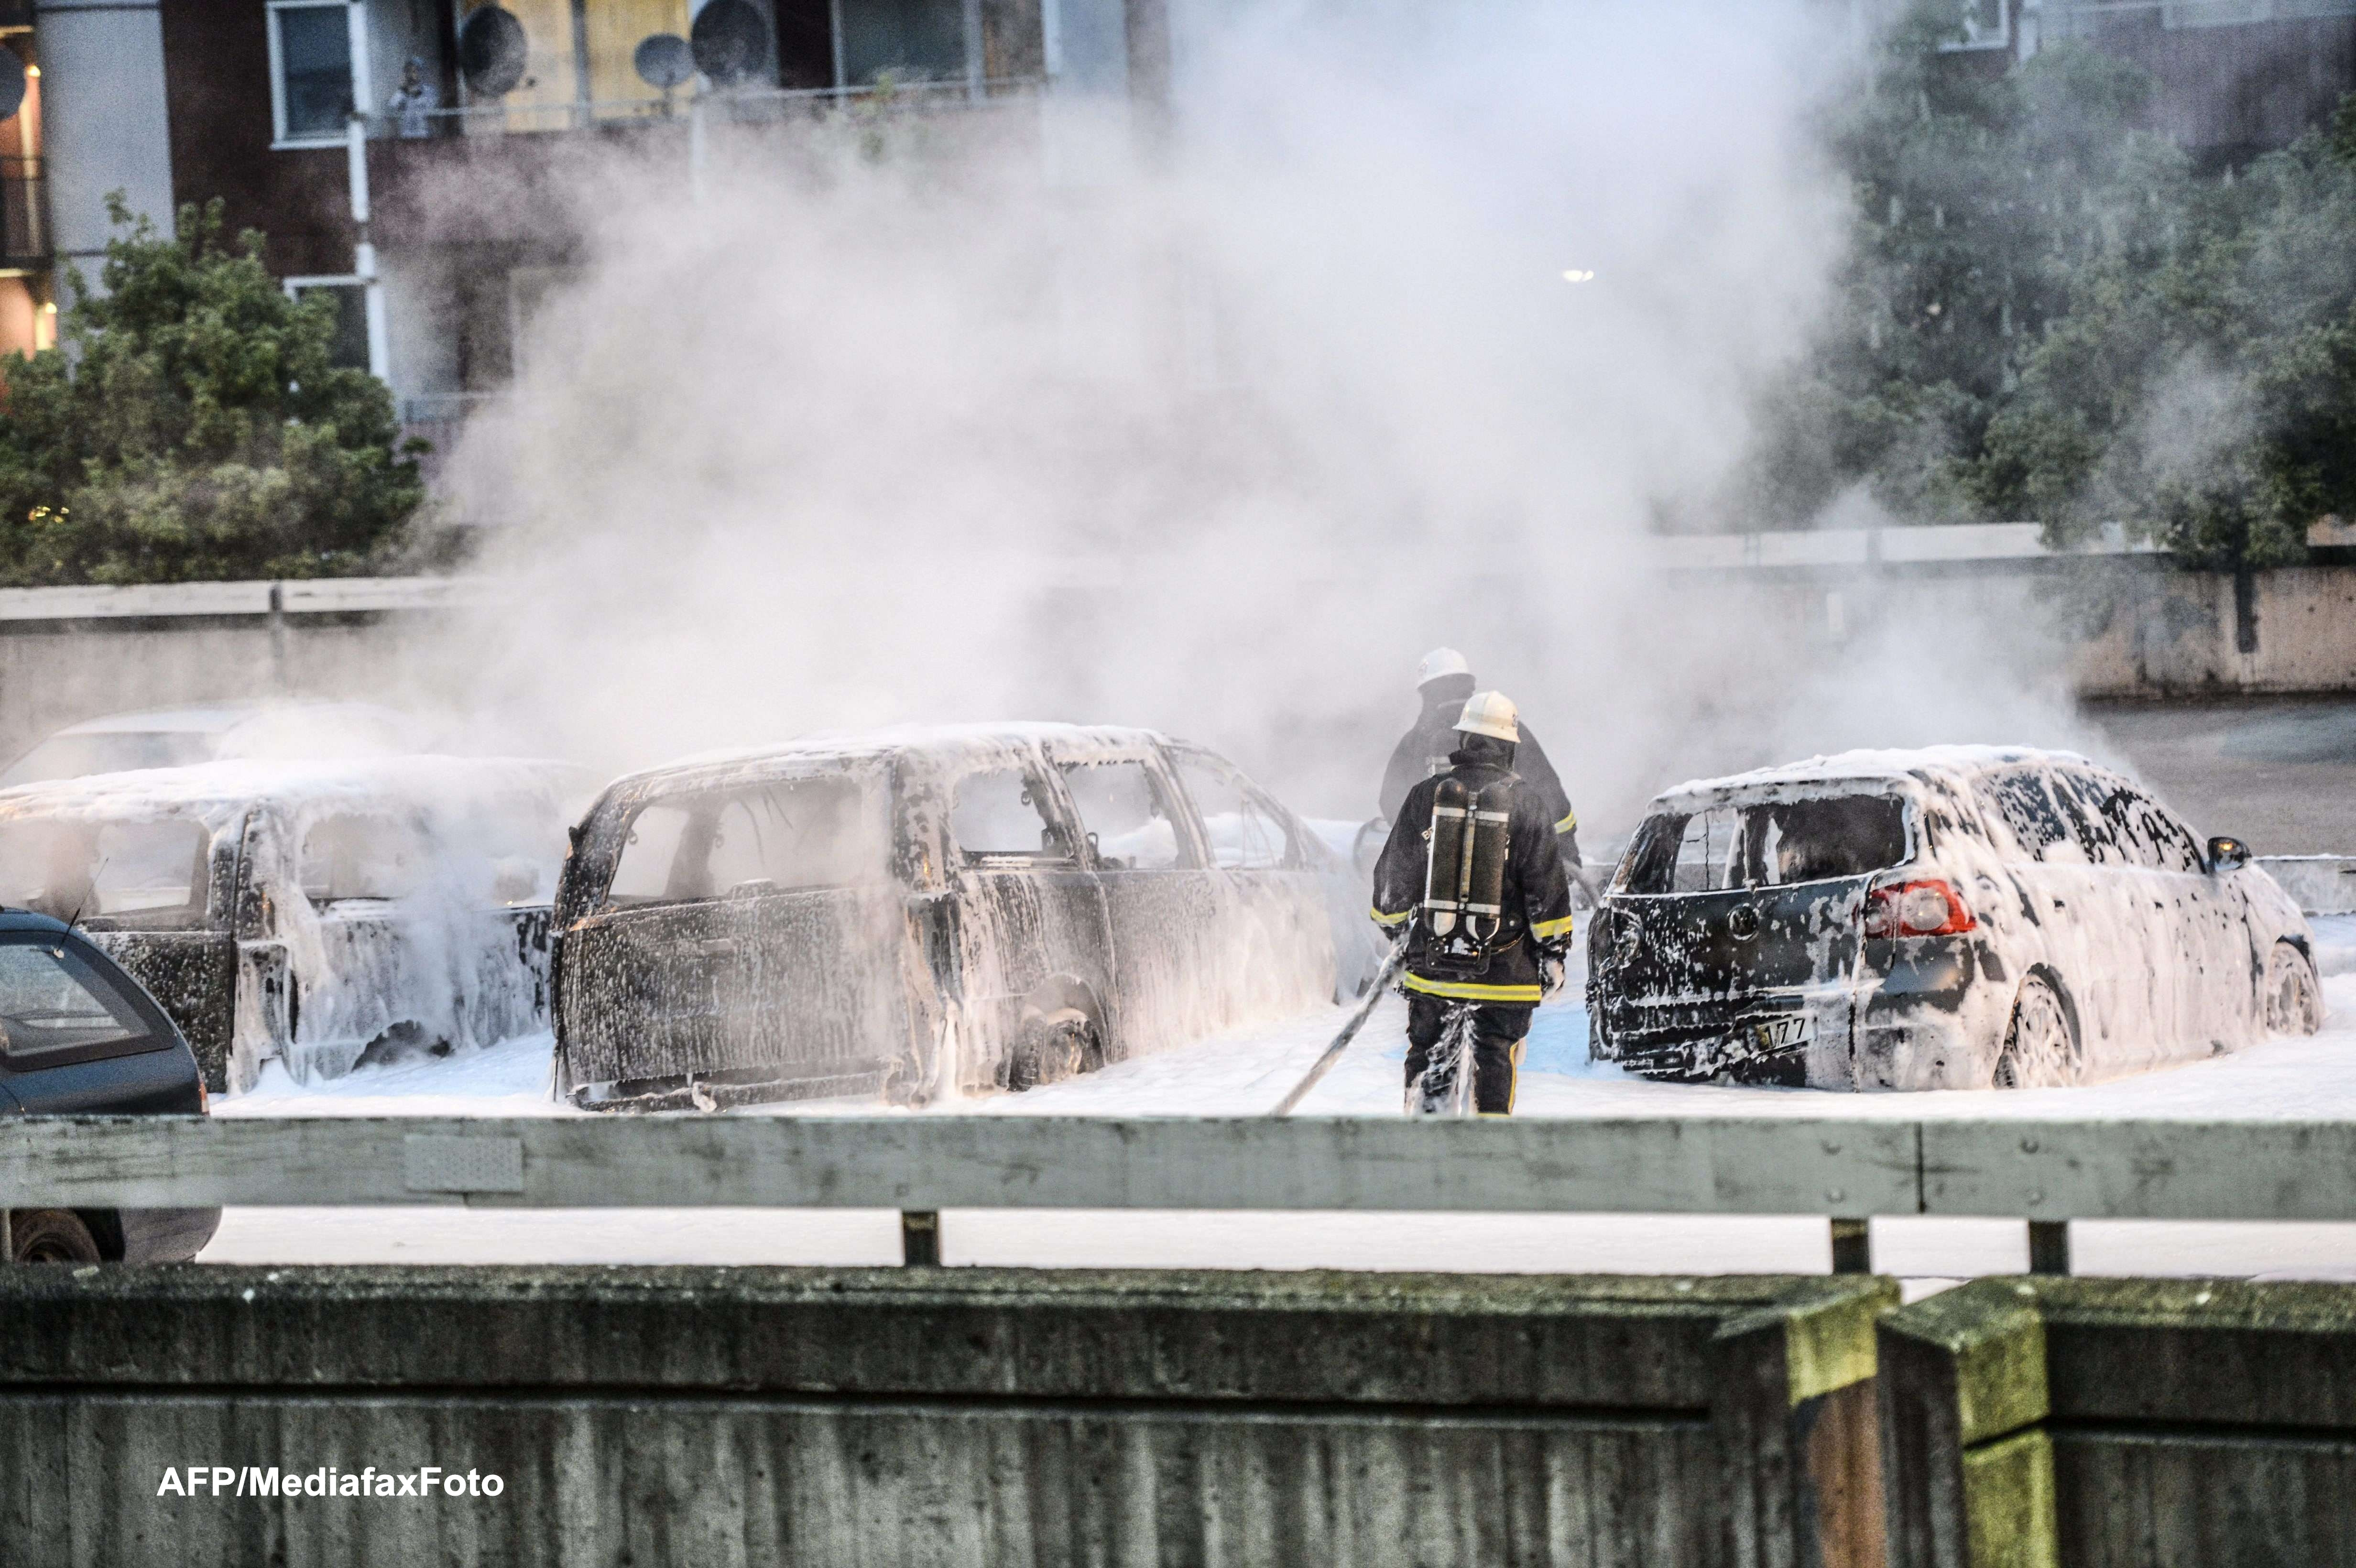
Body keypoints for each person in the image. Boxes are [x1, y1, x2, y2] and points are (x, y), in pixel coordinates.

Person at [1369, 690, 1575, 1115]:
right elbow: (1547, 891)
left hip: (1434, 968)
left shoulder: (1426, 797)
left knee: (1430, 1060)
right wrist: (1554, 953)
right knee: (1496, 1057)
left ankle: (1428, 1150)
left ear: (1463, 741)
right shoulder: (1529, 804)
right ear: (1510, 747)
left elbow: (1392, 881)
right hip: (1505, 973)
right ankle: (1488, 1153)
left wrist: (1398, 933)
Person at [1378, 648, 1583, 877]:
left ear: (1426, 692)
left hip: (1438, 873)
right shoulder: (1505, 728)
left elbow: (1391, 802)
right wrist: (1566, 850)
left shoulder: (1415, 741)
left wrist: (1423, 846)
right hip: (1508, 867)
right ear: (1469, 686)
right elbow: (1548, 789)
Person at [388, 58, 438, 140]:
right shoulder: (400, 93)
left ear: (421, 73)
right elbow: (392, 110)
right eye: (408, 72)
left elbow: (433, 114)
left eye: (415, 71)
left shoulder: (429, 91)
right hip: (405, 137)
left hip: (424, 136)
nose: (411, 75)